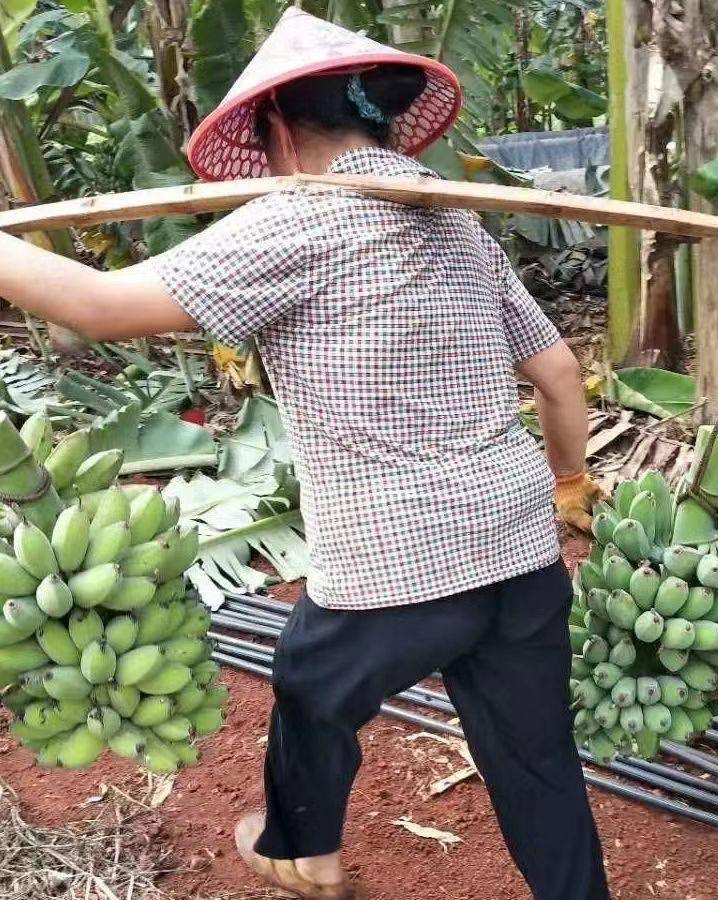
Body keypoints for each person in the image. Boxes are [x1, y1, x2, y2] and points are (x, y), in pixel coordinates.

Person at [0, 8, 609, 900]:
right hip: (518, 547)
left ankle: (303, 855)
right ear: (384, 121)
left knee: (307, 686)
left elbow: (97, 306)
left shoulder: (297, 219)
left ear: (279, 129)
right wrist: (567, 487)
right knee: (538, 760)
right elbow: (558, 374)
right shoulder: (461, 226)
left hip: (396, 561)